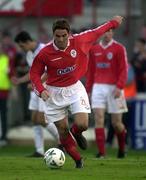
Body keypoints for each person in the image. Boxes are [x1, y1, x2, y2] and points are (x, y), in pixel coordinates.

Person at [29, 16, 123, 168]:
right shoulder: (45, 53)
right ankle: (78, 160)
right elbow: (34, 74)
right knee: (63, 131)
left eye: (63, 36)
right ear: (53, 35)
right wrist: (41, 90)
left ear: (69, 34)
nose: (60, 39)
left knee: (82, 124)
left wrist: (114, 22)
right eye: (57, 36)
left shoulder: (80, 41)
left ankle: (77, 132)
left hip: (74, 88)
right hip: (53, 93)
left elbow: (98, 31)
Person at [13, 31, 61, 157]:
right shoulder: (29, 54)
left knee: (41, 119)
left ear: (27, 42)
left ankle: (62, 139)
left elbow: (49, 72)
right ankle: (39, 150)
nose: (22, 49)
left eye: (22, 46)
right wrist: (20, 80)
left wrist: (35, 83)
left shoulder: (44, 50)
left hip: (45, 88)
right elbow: (33, 72)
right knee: (34, 119)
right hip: (36, 87)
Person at [86, 29, 128, 158]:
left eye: (109, 31)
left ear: (113, 33)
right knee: (99, 119)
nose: (107, 34)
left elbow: (124, 69)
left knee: (116, 123)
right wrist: (88, 90)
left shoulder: (119, 48)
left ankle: (121, 149)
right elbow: (90, 70)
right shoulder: (94, 49)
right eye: (105, 31)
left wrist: (119, 87)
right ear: (101, 33)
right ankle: (102, 153)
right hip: (98, 87)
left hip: (115, 88)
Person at [0, 42, 15, 146]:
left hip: (3, 91)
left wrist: (14, 90)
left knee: (3, 115)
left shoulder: (7, 59)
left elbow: (11, 74)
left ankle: (3, 137)